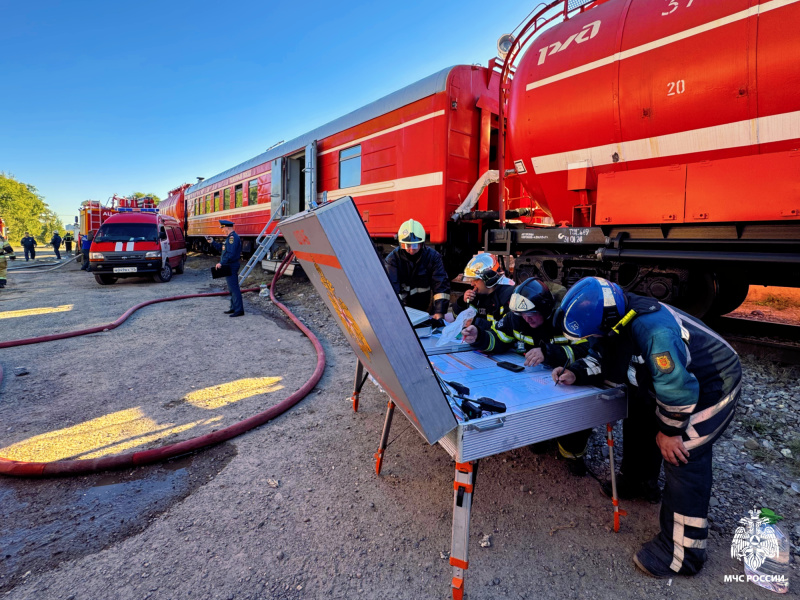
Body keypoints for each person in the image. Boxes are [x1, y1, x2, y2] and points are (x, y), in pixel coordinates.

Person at [551, 276, 741, 578]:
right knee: (639, 414)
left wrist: (670, 432)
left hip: (711, 383)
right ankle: (640, 482)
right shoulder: (616, 318)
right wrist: (576, 372)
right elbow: (605, 356)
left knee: (682, 452)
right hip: (674, 382)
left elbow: (677, 389)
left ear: (609, 321)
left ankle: (682, 554)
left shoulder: (655, 332)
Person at [462, 277, 593, 475]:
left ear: (545, 309)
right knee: (526, 406)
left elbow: (586, 349)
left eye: (531, 315)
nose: (526, 320)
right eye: (522, 315)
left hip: (568, 379)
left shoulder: (567, 319)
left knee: (576, 413)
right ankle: (540, 437)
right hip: (534, 378)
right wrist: (478, 336)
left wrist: (548, 353)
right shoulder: (516, 317)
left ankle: (572, 454)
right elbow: (499, 338)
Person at [385, 219, 449, 319]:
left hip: (424, 306)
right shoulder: (393, 259)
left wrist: (439, 312)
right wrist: (397, 314)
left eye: (415, 245)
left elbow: (440, 284)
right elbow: (392, 288)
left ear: (422, 243)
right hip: (403, 308)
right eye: (407, 245)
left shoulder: (433, 257)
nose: (411, 249)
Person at [452, 253, 514, 331]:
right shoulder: (478, 295)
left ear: (489, 278)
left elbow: (506, 330)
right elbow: (458, 319)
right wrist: (462, 302)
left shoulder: (508, 296)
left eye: (475, 279)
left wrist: (476, 323)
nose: (472, 284)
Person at [207, 220, 243, 317]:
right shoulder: (229, 238)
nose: (222, 230)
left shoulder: (232, 238)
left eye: (222, 228)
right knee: (231, 288)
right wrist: (213, 242)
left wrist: (221, 263)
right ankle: (233, 307)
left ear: (227, 227)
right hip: (229, 265)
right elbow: (222, 249)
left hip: (231, 265)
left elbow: (230, 254)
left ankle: (239, 310)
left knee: (234, 288)